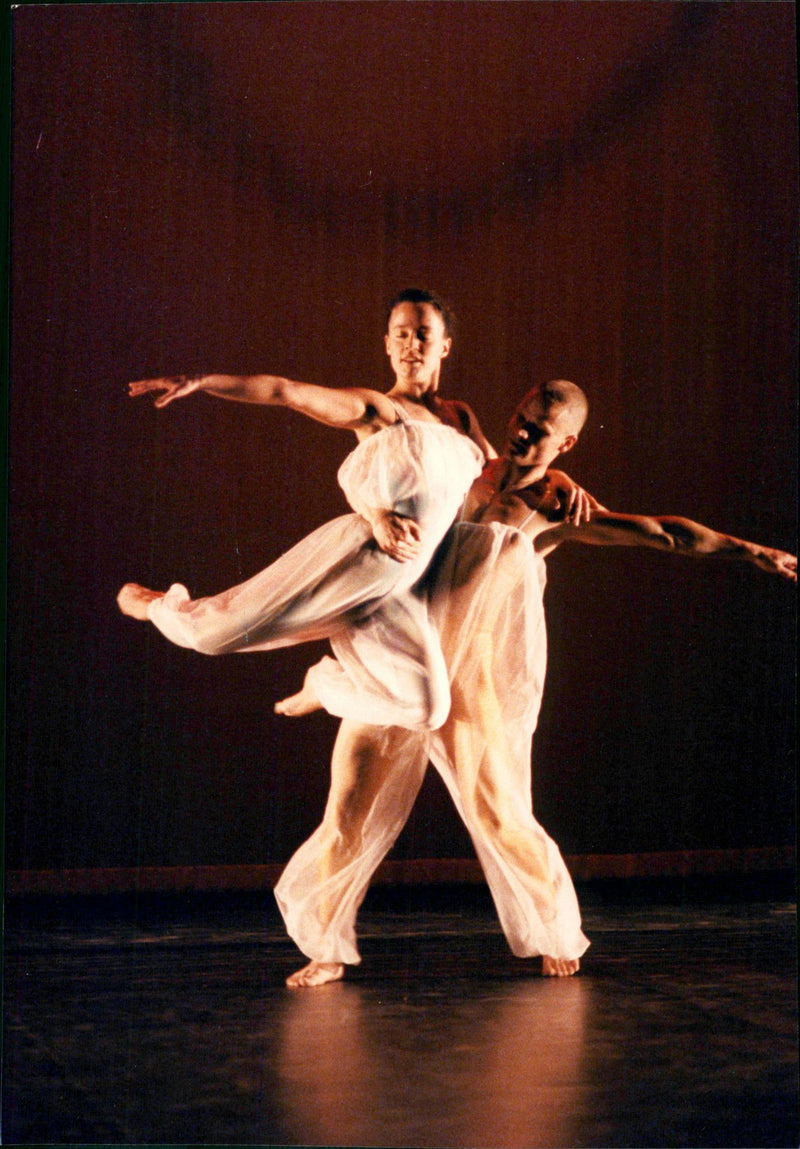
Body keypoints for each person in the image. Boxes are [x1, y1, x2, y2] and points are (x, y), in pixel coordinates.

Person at [274, 379, 796, 987]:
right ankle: (326, 946)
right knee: (346, 815)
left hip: (470, 681)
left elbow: (663, 532)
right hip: (403, 667)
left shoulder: (556, 508)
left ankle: (552, 928)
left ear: (567, 441)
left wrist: (754, 552)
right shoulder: (462, 463)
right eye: (522, 417)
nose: (524, 431)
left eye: (541, 429)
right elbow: (396, 454)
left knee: (501, 815)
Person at [118, 289, 496, 730]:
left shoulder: (460, 419)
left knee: (429, 710)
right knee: (215, 634)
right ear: (388, 344)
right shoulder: (380, 409)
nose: (412, 345)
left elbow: (503, 476)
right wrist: (204, 382)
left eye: (423, 335)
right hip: (360, 560)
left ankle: (324, 685)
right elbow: (286, 392)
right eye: (402, 334)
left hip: (401, 588)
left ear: (444, 345)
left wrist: (564, 484)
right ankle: (152, 604)